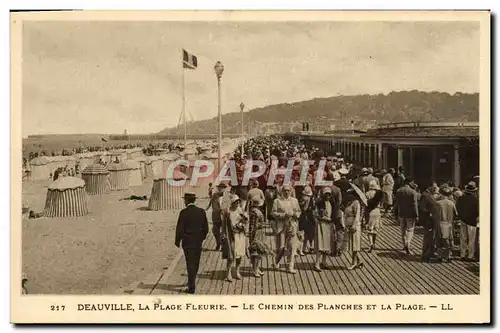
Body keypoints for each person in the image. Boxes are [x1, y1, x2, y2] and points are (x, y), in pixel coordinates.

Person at [174, 193, 209, 294]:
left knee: (190, 263)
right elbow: (206, 228)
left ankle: (191, 286)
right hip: (197, 241)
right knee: (196, 262)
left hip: (187, 242)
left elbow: (179, 228)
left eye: (185, 200)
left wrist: (177, 240)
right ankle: (191, 281)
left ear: (187, 201)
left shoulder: (183, 212)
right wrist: (202, 237)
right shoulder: (201, 212)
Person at [271, 184, 301, 274]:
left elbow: (299, 211)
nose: (287, 192)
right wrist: (283, 215)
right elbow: (273, 213)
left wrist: (295, 214)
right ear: (282, 191)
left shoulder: (294, 200)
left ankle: (290, 266)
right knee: (281, 247)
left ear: (291, 191)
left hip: (292, 225)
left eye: (288, 190)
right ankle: (276, 262)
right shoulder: (277, 201)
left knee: (292, 247)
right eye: (285, 190)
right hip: (281, 226)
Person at [222, 194, 248, 282]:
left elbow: (245, 221)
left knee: (239, 255)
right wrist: (223, 234)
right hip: (231, 236)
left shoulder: (241, 210)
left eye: (238, 201)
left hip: (240, 235)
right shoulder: (228, 212)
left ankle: (237, 271)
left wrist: (243, 225)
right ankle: (228, 273)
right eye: (235, 202)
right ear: (232, 203)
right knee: (230, 255)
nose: (237, 203)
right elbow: (224, 224)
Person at [248, 197, 273, 277]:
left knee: (259, 251)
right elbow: (253, 225)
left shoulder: (255, 212)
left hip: (259, 232)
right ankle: (255, 269)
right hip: (257, 233)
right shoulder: (254, 213)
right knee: (256, 252)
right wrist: (253, 236)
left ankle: (257, 268)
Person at [394, 177, 419, 255]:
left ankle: (404, 244)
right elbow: (415, 204)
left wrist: (396, 213)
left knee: (403, 229)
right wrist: (416, 214)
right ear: (409, 182)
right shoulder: (413, 192)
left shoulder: (399, 191)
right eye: (412, 182)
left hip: (401, 212)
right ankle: (408, 243)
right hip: (410, 213)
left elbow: (396, 203)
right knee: (410, 229)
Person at [313, 187, 335, 271]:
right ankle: (317, 263)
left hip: (328, 225)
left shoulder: (330, 203)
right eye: (326, 194)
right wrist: (324, 218)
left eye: (329, 194)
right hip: (321, 225)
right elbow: (316, 214)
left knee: (327, 244)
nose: (327, 196)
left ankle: (324, 261)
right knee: (320, 244)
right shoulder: (319, 203)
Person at [456, 181, 479, 262]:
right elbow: (477, 211)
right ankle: (470, 255)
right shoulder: (476, 199)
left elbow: (457, 208)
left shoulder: (461, 198)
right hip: (472, 221)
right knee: (471, 239)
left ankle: (462, 254)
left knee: (463, 238)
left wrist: (461, 216)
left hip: (463, 220)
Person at [419, 184, 441, 262]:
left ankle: (430, 253)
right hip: (428, 220)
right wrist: (429, 213)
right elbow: (422, 207)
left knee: (431, 238)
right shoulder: (426, 195)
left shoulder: (429, 194)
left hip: (432, 220)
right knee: (428, 238)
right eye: (434, 188)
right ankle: (425, 255)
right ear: (430, 187)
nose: (435, 190)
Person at [344, 187, 363, 270]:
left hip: (354, 226)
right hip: (349, 225)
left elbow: (357, 215)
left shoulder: (356, 203)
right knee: (352, 244)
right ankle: (359, 260)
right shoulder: (349, 203)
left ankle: (353, 262)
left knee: (355, 244)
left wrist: (354, 226)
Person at [436, 187, 457, 262]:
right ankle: (448, 256)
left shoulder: (438, 203)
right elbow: (456, 214)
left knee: (440, 240)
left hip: (440, 223)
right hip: (449, 223)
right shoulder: (452, 203)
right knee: (449, 240)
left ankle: (440, 256)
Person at [206, 182, 227, 250]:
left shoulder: (227, 196)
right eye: (220, 188)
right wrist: (207, 208)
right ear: (218, 188)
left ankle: (223, 246)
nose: (221, 189)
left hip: (224, 216)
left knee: (224, 232)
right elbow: (210, 202)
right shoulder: (215, 195)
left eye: (223, 188)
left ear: (224, 189)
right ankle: (218, 243)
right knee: (215, 230)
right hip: (215, 215)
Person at [365, 180, 383, 252]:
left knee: (370, 229)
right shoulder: (378, 193)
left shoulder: (367, 193)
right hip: (377, 211)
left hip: (370, 211)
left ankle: (370, 244)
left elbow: (365, 203)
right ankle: (374, 243)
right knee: (376, 228)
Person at [298, 185, 315, 255]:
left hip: (309, 218)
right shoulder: (301, 200)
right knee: (302, 234)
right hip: (303, 218)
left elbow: (312, 209)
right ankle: (302, 249)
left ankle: (310, 247)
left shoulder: (311, 200)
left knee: (310, 233)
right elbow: (302, 210)